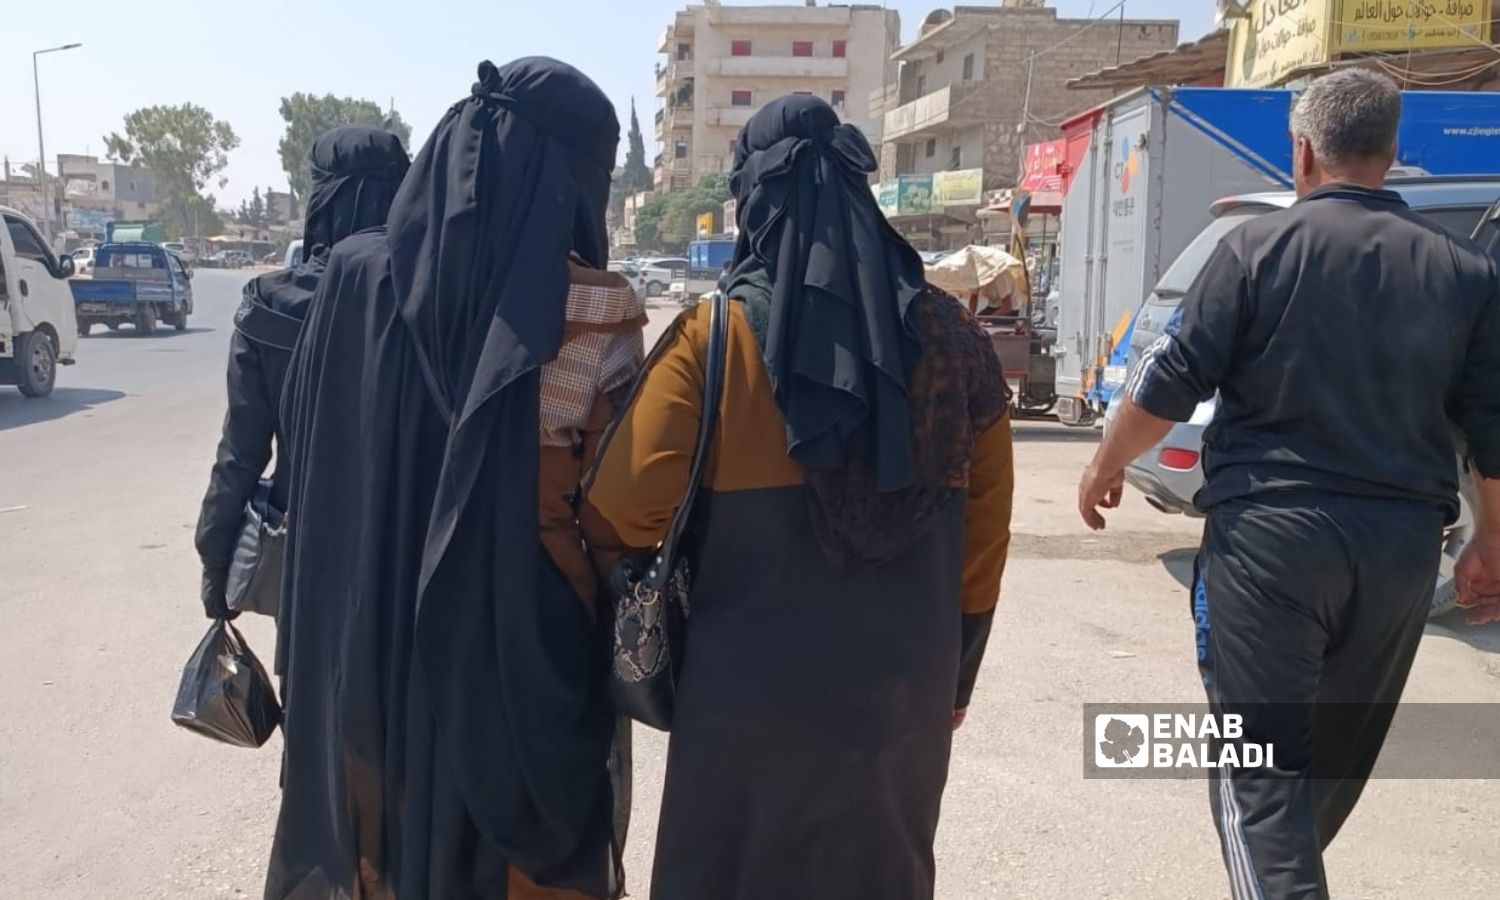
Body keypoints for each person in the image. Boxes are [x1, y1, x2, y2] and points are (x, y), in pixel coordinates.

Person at [1079, 69, 1500, 899]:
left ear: (1303, 151)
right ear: (1390, 152)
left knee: (1259, 776)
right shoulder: (1464, 273)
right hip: (1402, 554)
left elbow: (1167, 383)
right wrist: (1490, 538)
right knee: (1325, 766)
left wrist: (1100, 467)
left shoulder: (1252, 248)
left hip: (1272, 544)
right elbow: (1490, 427)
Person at [585, 95, 1015, 900]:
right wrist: (952, 680)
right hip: (902, 695)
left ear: (756, 203)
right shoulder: (962, 348)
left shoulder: (714, 340)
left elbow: (620, 508)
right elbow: (982, 545)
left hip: (742, 696)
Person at [265, 59, 633, 900]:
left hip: (374, 647)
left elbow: (317, 478)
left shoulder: (351, 280)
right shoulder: (595, 313)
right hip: (522, 672)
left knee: (381, 854)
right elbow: (618, 514)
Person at [194, 126, 409, 631]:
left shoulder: (270, 303)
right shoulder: (426, 298)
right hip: (405, 554)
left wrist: (215, 557)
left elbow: (241, 452)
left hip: (304, 553)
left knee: (307, 700)